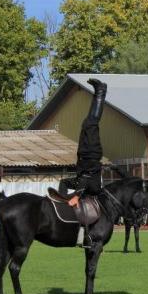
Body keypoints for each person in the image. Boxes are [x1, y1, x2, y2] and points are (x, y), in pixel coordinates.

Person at [61, 78, 107, 207]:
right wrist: (76, 196)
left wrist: (75, 196)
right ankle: (100, 91)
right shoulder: (93, 185)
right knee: (90, 122)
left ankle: (63, 202)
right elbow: (86, 181)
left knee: (63, 183)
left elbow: (84, 180)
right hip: (91, 154)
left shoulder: (87, 182)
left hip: (85, 155)